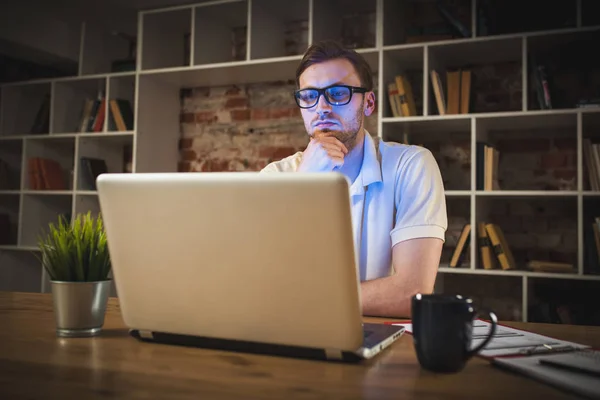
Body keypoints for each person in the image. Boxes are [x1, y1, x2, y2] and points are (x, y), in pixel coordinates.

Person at [260, 40, 448, 318]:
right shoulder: (275, 178)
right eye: (309, 96)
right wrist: (303, 186)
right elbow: (263, 285)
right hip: (296, 332)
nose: (322, 108)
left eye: (338, 93)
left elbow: (411, 293)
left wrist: (304, 300)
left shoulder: (411, 165)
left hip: (386, 338)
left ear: (368, 103)